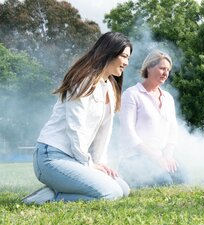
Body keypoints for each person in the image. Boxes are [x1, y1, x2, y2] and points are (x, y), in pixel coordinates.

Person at [22, 32, 132, 204]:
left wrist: (99, 164)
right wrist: (88, 164)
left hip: (75, 158)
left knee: (123, 189)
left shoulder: (109, 86)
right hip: (52, 157)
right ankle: (47, 198)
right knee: (111, 193)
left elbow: (103, 134)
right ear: (110, 52)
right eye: (124, 56)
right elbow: (75, 127)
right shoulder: (83, 80)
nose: (126, 63)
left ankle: (60, 188)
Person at [118, 50, 188, 188]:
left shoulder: (168, 98)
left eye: (168, 70)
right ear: (149, 68)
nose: (165, 73)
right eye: (162, 68)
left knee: (183, 179)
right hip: (134, 158)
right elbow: (129, 134)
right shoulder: (132, 94)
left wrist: (167, 156)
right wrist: (156, 158)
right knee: (165, 183)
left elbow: (172, 132)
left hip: (161, 157)